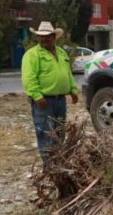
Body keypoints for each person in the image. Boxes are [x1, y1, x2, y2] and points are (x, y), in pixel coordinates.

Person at [21, 21, 79, 162]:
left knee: (59, 133)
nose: (43, 39)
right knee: (46, 134)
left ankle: (59, 161)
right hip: (44, 101)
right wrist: (37, 96)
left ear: (54, 36)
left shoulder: (61, 52)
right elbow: (29, 77)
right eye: (40, 36)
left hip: (60, 101)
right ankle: (50, 166)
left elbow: (67, 73)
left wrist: (73, 90)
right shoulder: (32, 55)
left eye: (47, 36)